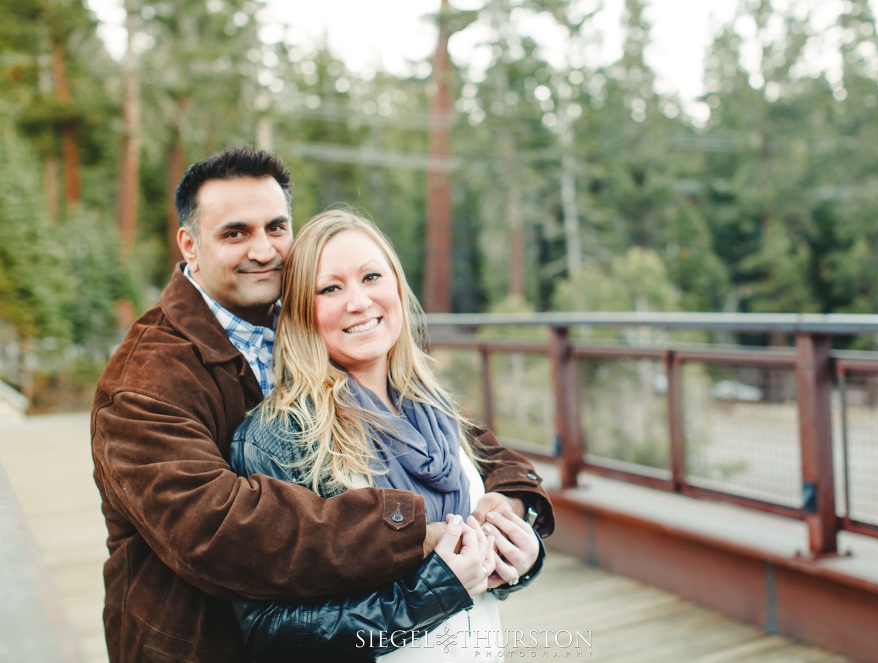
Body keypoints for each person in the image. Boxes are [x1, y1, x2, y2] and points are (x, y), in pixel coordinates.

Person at [90, 146, 553, 662]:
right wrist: (424, 536)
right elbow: (219, 533)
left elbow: (477, 448)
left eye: (276, 227)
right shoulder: (145, 381)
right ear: (190, 245)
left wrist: (513, 517)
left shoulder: (325, 323)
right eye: (235, 233)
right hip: (199, 643)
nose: (263, 250)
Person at [228, 208, 548, 661]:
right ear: (301, 311)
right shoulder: (281, 438)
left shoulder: (436, 409)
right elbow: (271, 632)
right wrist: (432, 593)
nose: (358, 302)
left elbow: (484, 567)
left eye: (371, 277)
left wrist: (522, 560)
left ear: (397, 286)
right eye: (331, 288)